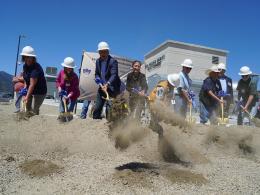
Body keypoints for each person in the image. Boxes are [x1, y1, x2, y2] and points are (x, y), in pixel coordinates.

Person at [93, 41, 121, 119]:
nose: (103, 54)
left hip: (112, 88)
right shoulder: (98, 61)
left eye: (104, 52)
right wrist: (98, 79)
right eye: (101, 52)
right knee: (97, 107)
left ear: (108, 52)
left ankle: (109, 125)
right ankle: (95, 123)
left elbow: (114, 75)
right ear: (99, 52)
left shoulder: (113, 61)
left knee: (109, 109)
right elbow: (97, 74)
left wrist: (107, 84)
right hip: (102, 88)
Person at [21, 46, 47, 115]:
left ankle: (35, 122)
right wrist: (24, 91)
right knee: (27, 107)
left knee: (33, 110)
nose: (27, 59)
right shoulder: (25, 66)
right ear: (23, 57)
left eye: (29, 57)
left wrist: (27, 96)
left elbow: (32, 84)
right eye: (25, 57)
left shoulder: (36, 68)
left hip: (40, 92)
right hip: (30, 89)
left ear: (33, 58)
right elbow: (26, 81)